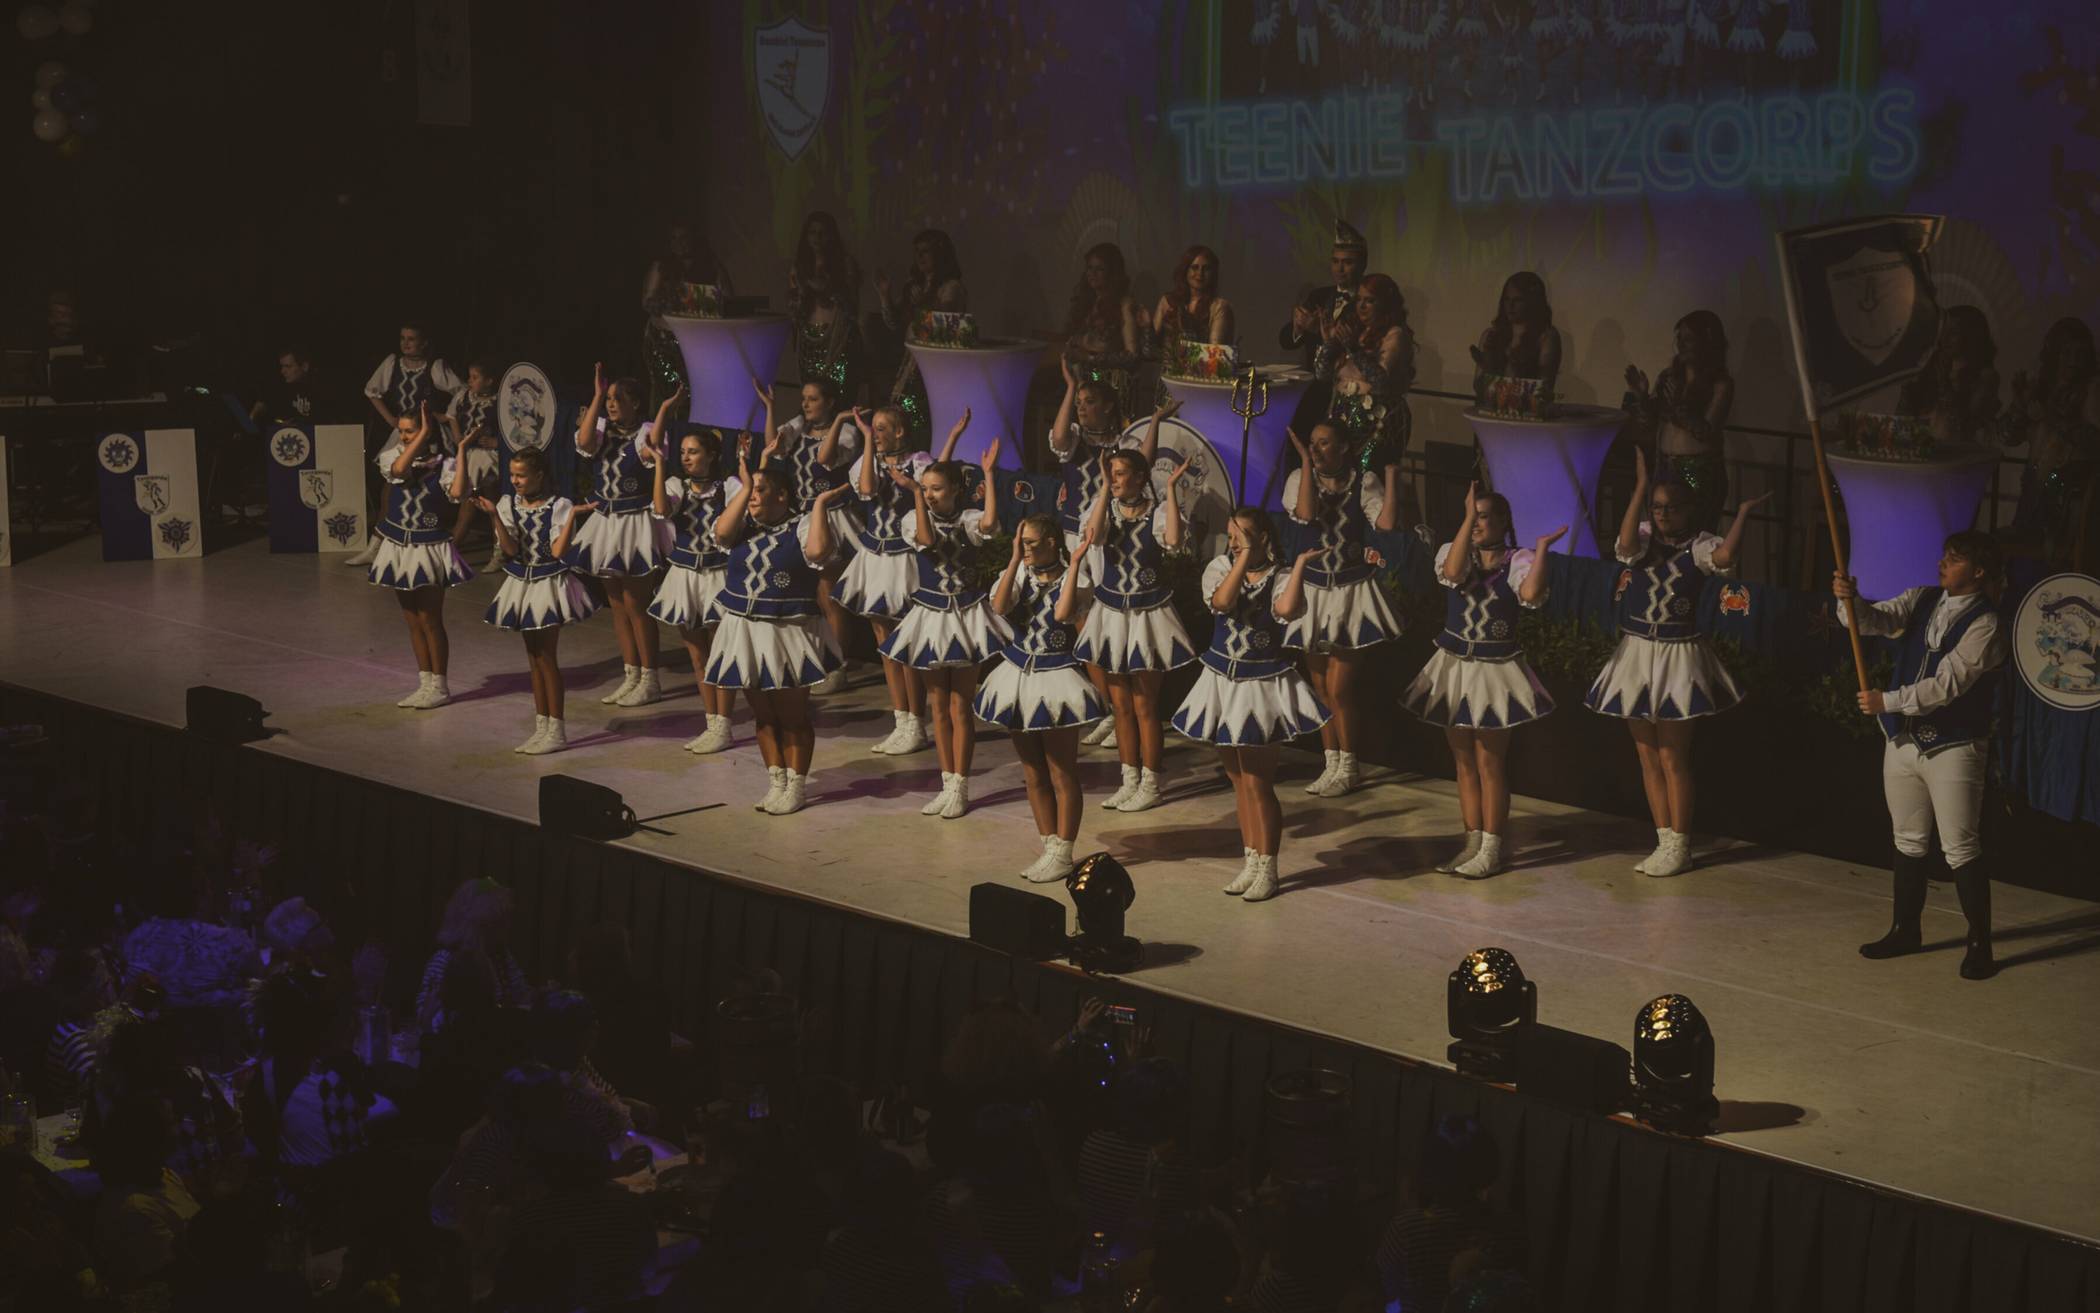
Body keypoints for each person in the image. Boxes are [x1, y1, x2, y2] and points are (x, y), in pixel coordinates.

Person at [1834, 531, 2008, 980]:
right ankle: (1905, 930)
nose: (1943, 563)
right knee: (1908, 840)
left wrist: (1887, 702)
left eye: (1955, 559)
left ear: (1979, 571)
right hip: (1903, 742)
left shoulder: (1987, 624)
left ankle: (1980, 944)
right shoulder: (1921, 598)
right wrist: (1850, 600)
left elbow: (1947, 685)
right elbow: (1871, 621)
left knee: (1960, 847)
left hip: (1954, 746)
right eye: (1945, 556)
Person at [1584, 450, 1766, 877]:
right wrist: (1639, 488)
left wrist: (1741, 515)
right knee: (1647, 754)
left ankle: (1681, 845)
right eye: (1657, 507)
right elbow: (1624, 546)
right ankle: (1663, 840)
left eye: (1671, 507)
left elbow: (1724, 560)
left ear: (1689, 510)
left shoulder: (1700, 546)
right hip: (1637, 654)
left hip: (1677, 656)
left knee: (1672, 756)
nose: (1663, 514)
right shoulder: (1643, 539)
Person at [1402, 485, 1564, 878]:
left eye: (1484, 517)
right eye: (1471, 516)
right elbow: (1453, 573)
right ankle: (1471, 842)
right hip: (1455, 666)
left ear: (1504, 521)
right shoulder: (1452, 551)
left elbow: (1531, 593)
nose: (1476, 524)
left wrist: (1542, 549)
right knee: (1463, 761)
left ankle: (1492, 848)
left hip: (1494, 669)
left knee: (1490, 762)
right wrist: (1466, 520)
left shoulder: (1519, 560)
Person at [1171, 509, 1325, 902]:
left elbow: (1287, 611)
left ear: (1264, 537)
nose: (1235, 541)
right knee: (1238, 780)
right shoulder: (1220, 568)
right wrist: (1240, 558)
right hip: (1223, 680)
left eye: (1243, 534)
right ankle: (1251, 859)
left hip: (1261, 684)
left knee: (1258, 782)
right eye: (1231, 534)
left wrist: (1300, 567)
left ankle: (1268, 867)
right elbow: (1223, 602)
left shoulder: (1281, 575)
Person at [706, 443, 852, 815]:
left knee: (792, 716)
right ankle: (776, 781)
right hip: (745, 631)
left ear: (782, 495)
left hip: (788, 632)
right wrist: (744, 491)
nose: (752, 497)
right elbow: (721, 533)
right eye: (749, 491)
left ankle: (797, 785)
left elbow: (818, 553)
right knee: (763, 713)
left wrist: (819, 506)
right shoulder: (741, 526)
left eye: (760, 491)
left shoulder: (801, 526)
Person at [885, 439, 1013, 819]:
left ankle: (961, 785)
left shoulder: (969, 518)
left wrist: (989, 474)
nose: (929, 495)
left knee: (961, 707)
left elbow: (989, 526)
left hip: (966, 617)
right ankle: (946, 783)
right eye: (925, 489)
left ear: (955, 489)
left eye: (937, 489)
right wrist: (917, 498)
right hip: (931, 617)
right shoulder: (913, 519)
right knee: (937, 706)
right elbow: (926, 540)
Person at [976, 513, 1107, 882]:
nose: (1026, 549)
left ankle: (1063, 852)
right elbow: (999, 607)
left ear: (1052, 542)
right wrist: (1014, 559)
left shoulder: (1078, 579)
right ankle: (1048, 845)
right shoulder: (1020, 571)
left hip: (1056, 678)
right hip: (1018, 676)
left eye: (1031, 543)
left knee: (1061, 771)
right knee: (1032, 770)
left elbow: (1063, 614)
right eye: (1022, 543)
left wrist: (1075, 563)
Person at [1282, 422, 1406, 797]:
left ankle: (1350, 765)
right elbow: (1306, 513)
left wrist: (1391, 478)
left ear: (1343, 447)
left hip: (1350, 593)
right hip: (1313, 592)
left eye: (1324, 443)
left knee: (1339, 688)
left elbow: (1386, 524)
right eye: (1312, 444)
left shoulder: (1362, 482)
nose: (1316, 449)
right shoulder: (1298, 478)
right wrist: (1306, 465)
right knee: (1320, 685)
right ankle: (1331, 761)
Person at [1075, 450, 1198, 813]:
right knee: (1121, 706)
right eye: (1111, 473)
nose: (1114, 479)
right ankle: (1128, 780)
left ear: (1141, 477)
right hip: (1112, 614)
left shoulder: (1158, 513)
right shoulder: (1105, 510)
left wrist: (1170, 489)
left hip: (1147, 616)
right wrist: (1103, 488)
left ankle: (1151, 783)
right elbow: (1093, 537)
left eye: (1120, 473)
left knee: (1145, 705)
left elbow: (1173, 541)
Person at [1049, 366, 1165, 750]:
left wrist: (1156, 422)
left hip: (1110, 541)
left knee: (1105, 626)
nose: (1082, 408)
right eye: (1078, 403)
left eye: (1089, 401)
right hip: (1076, 538)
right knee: (1083, 628)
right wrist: (1069, 387)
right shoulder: (1074, 441)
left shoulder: (1123, 445)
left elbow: (1144, 463)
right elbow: (1059, 438)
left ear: (1109, 406)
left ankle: (1121, 711)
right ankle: (1110, 710)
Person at [474, 446, 600, 754]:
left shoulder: (560, 505)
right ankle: (542, 725)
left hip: (548, 584)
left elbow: (557, 552)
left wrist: (571, 518)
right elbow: (510, 550)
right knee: (533, 658)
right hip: (522, 581)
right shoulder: (508, 504)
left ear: (539, 476)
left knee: (546, 658)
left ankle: (556, 730)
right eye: (512, 475)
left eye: (521, 475)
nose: (515, 481)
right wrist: (494, 517)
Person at [750, 373, 864, 695]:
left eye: (813, 399)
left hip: (831, 518)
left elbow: (826, 459)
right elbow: (773, 449)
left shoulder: (847, 432)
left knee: (829, 595)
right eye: (803, 399)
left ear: (830, 402)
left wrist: (839, 420)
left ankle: (838, 668)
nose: (806, 405)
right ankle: (814, 658)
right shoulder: (799, 428)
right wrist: (770, 409)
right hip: (802, 518)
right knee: (809, 595)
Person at [840, 404, 941, 755]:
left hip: (905, 559)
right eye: (873, 429)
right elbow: (867, 489)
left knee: (905, 642)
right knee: (883, 641)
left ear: (900, 432)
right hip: (875, 558)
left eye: (881, 429)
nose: (876, 434)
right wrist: (868, 441)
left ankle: (916, 722)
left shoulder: (920, 463)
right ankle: (901, 721)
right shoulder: (868, 461)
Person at [572, 365, 675, 708]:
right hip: (606, 522)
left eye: (618, 398)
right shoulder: (601, 430)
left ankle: (650, 679)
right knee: (615, 604)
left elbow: (652, 449)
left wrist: (664, 410)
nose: (612, 404)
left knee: (636, 604)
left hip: (634, 524)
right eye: (610, 399)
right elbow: (584, 443)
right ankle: (630, 674)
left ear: (636, 403)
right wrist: (597, 396)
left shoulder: (646, 432)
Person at [366, 404, 473, 709]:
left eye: (409, 431)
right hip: (399, 545)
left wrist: (461, 452)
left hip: (428, 547)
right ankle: (424, 683)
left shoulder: (445, 465)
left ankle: (440, 686)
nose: (403, 436)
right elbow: (399, 471)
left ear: (427, 432)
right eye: (401, 431)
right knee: (412, 618)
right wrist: (420, 435)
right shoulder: (392, 457)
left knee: (430, 618)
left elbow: (458, 494)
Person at [646, 413, 737, 754]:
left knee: (721, 653)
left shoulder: (728, 487)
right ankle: (711, 722)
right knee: (697, 655)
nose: (686, 457)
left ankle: (724, 725)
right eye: (682, 451)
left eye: (693, 451)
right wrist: (659, 465)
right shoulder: (676, 485)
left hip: (718, 575)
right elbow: (661, 510)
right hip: (684, 575)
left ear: (711, 455)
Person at [353, 321, 463, 565]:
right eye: (403, 338)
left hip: (431, 435)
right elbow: (371, 391)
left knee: (430, 489)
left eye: (412, 339)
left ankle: (431, 545)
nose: (406, 343)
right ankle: (378, 545)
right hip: (404, 433)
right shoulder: (393, 363)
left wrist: (445, 416)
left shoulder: (435, 366)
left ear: (424, 342)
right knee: (391, 487)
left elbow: (462, 391)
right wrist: (391, 420)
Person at [1999, 316, 2099, 565]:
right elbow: (2008, 436)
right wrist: (2019, 404)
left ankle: (2035, 529)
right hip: (2037, 488)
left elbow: (2093, 442)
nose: (2073, 360)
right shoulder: (2042, 388)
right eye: (2067, 352)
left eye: (2079, 354)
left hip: (2070, 487)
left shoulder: (2091, 390)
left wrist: (2051, 420)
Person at [1315, 271, 1419, 508]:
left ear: (1385, 304)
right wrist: (1330, 343)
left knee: (1369, 482)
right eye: (1359, 299)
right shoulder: (1352, 330)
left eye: (1369, 300)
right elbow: (1321, 375)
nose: (1361, 306)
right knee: (1340, 483)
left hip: (1378, 422)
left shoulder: (1395, 335)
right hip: (1343, 416)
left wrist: (1353, 349)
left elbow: (1380, 382)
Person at [1625, 310, 1736, 529]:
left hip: (1699, 471)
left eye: (1689, 339)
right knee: (1663, 533)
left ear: (1707, 342)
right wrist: (1642, 396)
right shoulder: (1669, 377)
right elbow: (1651, 420)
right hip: (1665, 465)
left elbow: (1705, 431)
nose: (1681, 344)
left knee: (1697, 533)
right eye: (1679, 338)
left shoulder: (1721, 383)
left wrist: (1677, 407)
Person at [878, 227, 968, 443]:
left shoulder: (951, 287)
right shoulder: (916, 286)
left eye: (925, 251)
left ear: (939, 254)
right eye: (916, 252)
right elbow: (895, 323)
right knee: (903, 413)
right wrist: (885, 296)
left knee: (922, 419)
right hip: (911, 362)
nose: (920, 257)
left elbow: (947, 325)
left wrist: (923, 304)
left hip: (935, 366)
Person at [1278, 220, 1369, 431]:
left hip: (1350, 393)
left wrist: (1317, 332)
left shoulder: (1366, 301)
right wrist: (1298, 327)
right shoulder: (1319, 296)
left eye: (1347, 262)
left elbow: (1357, 348)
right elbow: (1286, 341)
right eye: (1335, 261)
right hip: (1314, 391)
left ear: (1362, 265)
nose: (1340, 269)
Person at [416, 878, 533, 1030]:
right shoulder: (446, 959)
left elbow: (523, 996)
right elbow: (428, 1019)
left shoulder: (502, 956)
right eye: (500, 921)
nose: (508, 927)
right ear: (481, 922)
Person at [640, 220, 731, 409]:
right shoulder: (661, 266)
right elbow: (647, 301)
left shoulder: (711, 266)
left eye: (684, 238)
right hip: (663, 342)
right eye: (674, 238)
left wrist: (706, 301)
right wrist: (672, 302)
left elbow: (728, 298)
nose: (679, 243)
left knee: (693, 396)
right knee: (666, 392)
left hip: (697, 343)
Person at [1898, 304, 2002, 445]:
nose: (1945, 338)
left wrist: (1944, 383)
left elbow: (1965, 427)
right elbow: (1903, 426)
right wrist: (1907, 389)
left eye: (1953, 332)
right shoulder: (1931, 369)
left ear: (1971, 335)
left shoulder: (1986, 377)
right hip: (1925, 452)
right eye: (1944, 331)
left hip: (1960, 455)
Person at [790, 209, 866, 399]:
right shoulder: (799, 267)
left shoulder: (845, 264)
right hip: (809, 340)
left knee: (837, 394)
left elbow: (853, 307)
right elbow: (795, 310)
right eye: (812, 232)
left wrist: (829, 289)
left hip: (838, 339)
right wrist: (801, 293)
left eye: (822, 232)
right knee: (813, 395)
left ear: (831, 236)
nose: (817, 238)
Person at [1062, 242, 1145, 415]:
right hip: (1085, 384)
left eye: (1099, 269)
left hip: (1114, 389)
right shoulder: (1087, 303)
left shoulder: (1124, 304)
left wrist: (1091, 357)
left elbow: (1132, 356)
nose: (1092, 274)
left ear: (1112, 273)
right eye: (1089, 268)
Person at [440, 356, 508, 560]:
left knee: (490, 502)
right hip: (467, 456)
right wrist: (458, 438)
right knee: (471, 501)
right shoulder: (464, 396)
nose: (470, 381)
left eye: (475, 377)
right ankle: (453, 548)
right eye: (469, 377)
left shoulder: (501, 401)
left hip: (488, 458)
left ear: (489, 381)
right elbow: (451, 416)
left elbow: (515, 430)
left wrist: (497, 442)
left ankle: (498, 550)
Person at [1470, 271, 1562, 396]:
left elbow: (1543, 390)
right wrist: (1488, 367)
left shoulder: (1547, 337)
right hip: (1487, 407)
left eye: (1518, 300)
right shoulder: (1490, 335)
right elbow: (1478, 387)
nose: (1510, 305)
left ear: (1532, 302)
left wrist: (1513, 371)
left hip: (1526, 409)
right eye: (1507, 299)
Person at [1150, 244, 1235, 365]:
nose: (1200, 273)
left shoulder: (1219, 307)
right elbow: (1151, 350)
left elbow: (1216, 357)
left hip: (1203, 375)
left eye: (1206, 268)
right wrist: (1147, 327)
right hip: (1167, 374)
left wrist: (1184, 350)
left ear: (1213, 273)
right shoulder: (1167, 301)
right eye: (1194, 267)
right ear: (1185, 270)